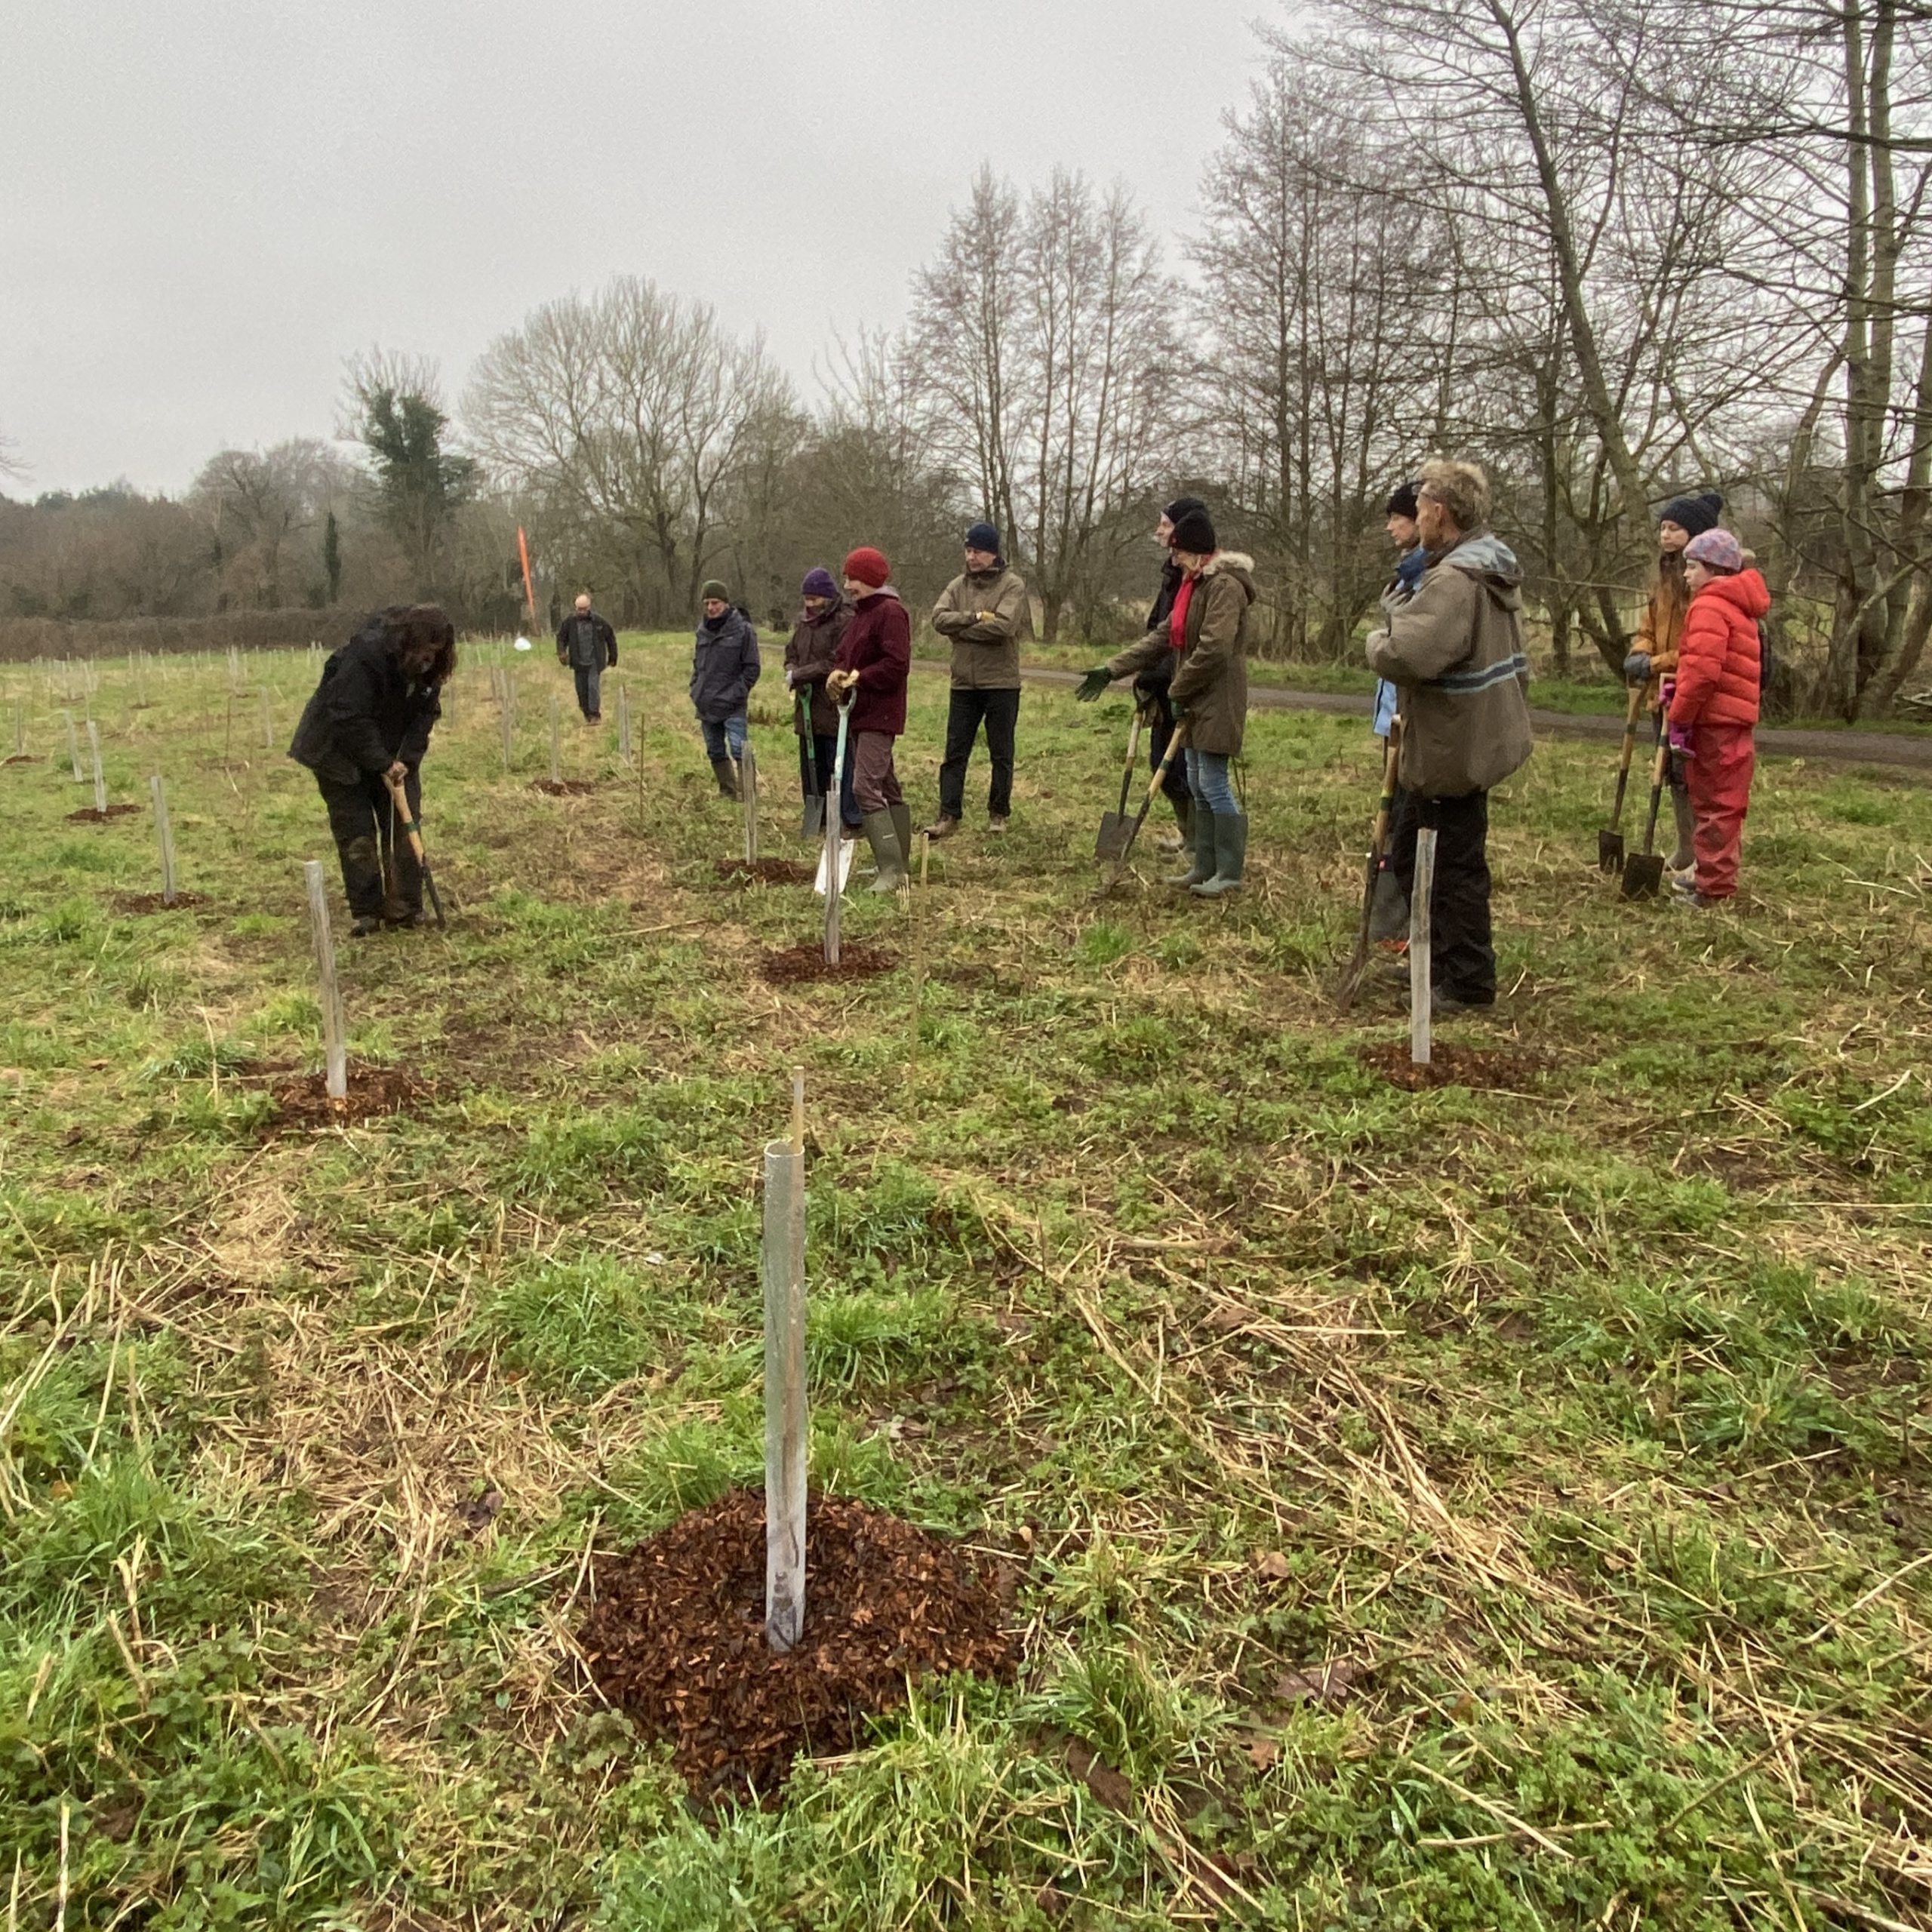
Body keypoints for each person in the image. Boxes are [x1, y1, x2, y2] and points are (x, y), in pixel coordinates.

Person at [1364, 457, 1533, 1014]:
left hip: (1452, 744)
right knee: (1416, 855)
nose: (1413, 518)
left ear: (1439, 512)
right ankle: (1434, 961)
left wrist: (1376, 639)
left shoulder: (1456, 580)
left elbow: (1407, 654)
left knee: (1451, 866)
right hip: (1466, 736)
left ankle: (1465, 982)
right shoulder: (1485, 568)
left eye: (1418, 509)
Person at [1076, 506, 1256, 897]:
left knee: (1213, 782)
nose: (1173, 558)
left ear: (1196, 552)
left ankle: (1229, 870)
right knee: (1194, 780)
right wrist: (1112, 669)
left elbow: (1214, 650)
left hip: (1217, 697)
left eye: (1178, 552)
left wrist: (1176, 691)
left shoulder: (1224, 587)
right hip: (1193, 696)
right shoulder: (1194, 586)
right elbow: (1161, 637)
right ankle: (1202, 866)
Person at [289, 604, 455, 937]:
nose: (428, 660)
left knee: (404, 828)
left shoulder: (429, 673)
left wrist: (405, 760)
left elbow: (424, 717)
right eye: (423, 651)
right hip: (337, 751)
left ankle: (404, 907)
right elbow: (348, 716)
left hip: (392, 751)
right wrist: (381, 762)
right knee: (358, 832)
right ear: (408, 642)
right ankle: (367, 911)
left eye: (435, 654)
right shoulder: (366, 657)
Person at [1623, 492, 1722, 881]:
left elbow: (1696, 648)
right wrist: (1641, 652)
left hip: (1689, 692)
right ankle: (1685, 850)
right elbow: (1648, 626)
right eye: (1662, 528)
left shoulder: (1702, 585)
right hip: (1659, 693)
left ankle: (1703, 856)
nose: (1665, 535)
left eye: (1674, 528)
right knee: (1669, 774)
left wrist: (1656, 663)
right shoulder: (1663, 579)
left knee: (1691, 775)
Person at [1669, 528, 1767, 907]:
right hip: (1733, 719)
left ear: (1712, 569)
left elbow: (1702, 672)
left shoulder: (1710, 605)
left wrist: (1680, 715)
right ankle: (1712, 876)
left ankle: (1714, 889)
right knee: (1722, 802)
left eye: (1692, 567)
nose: (1686, 575)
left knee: (1714, 805)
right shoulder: (1738, 605)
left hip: (1715, 723)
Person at [927, 521, 1029, 838]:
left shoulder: (1013, 585)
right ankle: (948, 814)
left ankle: (998, 813)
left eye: (978, 551)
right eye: (968, 550)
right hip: (963, 683)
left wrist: (960, 632)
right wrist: (972, 618)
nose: (971, 557)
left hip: (1001, 682)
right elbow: (938, 618)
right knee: (955, 752)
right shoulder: (957, 585)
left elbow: (1004, 627)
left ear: (993, 554)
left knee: (1001, 752)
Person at [826, 546, 913, 892]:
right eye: (846, 577)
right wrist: (837, 674)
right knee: (887, 786)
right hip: (861, 713)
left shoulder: (891, 613)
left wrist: (860, 678)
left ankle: (891, 870)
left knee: (864, 787)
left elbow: (897, 664)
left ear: (872, 579)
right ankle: (898, 862)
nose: (847, 585)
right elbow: (846, 656)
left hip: (881, 714)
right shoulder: (861, 614)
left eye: (853, 578)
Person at [1370, 481, 1426, 944]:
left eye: (1397, 517)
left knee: (1409, 825)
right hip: (1394, 716)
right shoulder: (1406, 573)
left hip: (1414, 719)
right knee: (1393, 823)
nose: (1390, 526)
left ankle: (1410, 919)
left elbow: (1413, 648)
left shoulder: (1431, 575)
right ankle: (1393, 917)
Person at [1140, 498, 1204, 852]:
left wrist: (1167, 676)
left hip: (1185, 686)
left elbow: (1190, 642)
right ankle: (1187, 834)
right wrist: (1143, 671)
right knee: (1160, 764)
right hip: (1163, 684)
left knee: (1185, 771)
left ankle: (1198, 843)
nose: (1158, 531)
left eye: (1164, 525)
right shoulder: (1172, 573)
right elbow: (1160, 629)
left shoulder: (1197, 579)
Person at [784, 567, 861, 837]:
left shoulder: (844, 620)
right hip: (806, 707)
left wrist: (800, 674)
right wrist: (792, 670)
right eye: (806, 599)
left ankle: (849, 818)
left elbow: (834, 661)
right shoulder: (803, 622)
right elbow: (790, 652)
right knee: (810, 764)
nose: (810, 604)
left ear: (828, 597)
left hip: (833, 705)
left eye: (815, 599)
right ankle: (816, 817)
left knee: (838, 763)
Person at [690, 579, 760, 798]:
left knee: (739, 749)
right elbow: (697, 664)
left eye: (715, 603)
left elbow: (752, 669)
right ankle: (728, 791)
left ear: (726, 603)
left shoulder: (743, 631)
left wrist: (735, 694)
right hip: (706, 703)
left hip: (733, 704)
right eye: (707, 603)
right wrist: (695, 688)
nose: (711, 608)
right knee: (714, 750)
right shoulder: (702, 631)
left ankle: (748, 795)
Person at [555, 592, 617, 722]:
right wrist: (561, 652)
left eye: (584, 609)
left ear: (589, 607)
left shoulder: (599, 622)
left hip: (594, 660)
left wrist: (613, 657)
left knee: (593, 687)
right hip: (578, 662)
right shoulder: (569, 622)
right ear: (575, 608)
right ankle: (587, 713)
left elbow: (610, 638)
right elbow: (561, 638)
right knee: (581, 690)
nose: (581, 612)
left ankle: (595, 715)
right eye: (579, 609)